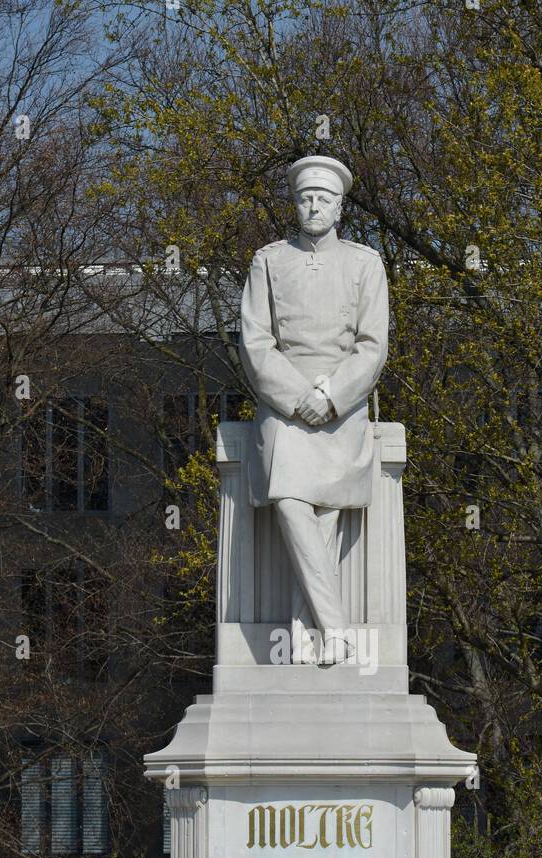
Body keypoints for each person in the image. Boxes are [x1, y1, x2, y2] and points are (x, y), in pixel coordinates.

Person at [239, 154, 389, 665]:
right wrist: (295, 395)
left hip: (341, 409)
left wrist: (330, 396)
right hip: (284, 408)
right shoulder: (268, 261)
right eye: (305, 198)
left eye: (323, 199)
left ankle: (308, 633)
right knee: (289, 497)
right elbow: (255, 343)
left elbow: (372, 346)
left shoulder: (365, 263)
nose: (313, 207)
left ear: (341, 208)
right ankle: (337, 627)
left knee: (324, 510)